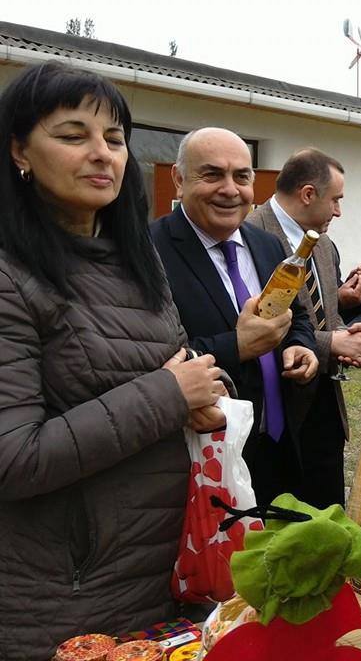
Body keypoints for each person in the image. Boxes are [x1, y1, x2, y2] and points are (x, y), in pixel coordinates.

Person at [0, 63, 225, 660]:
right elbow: (13, 457)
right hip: (61, 595)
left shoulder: (134, 260)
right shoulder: (10, 276)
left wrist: (205, 394)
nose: (102, 153)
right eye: (73, 135)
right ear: (19, 150)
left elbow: (172, 362)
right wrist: (169, 395)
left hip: (159, 573)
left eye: (115, 138)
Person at [151, 128, 324, 508]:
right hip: (204, 455)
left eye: (242, 176)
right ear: (179, 180)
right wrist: (237, 346)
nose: (230, 189)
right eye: (212, 174)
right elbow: (152, 360)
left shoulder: (267, 245)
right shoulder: (150, 252)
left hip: (277, 443)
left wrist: (301, 345)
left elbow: (295, 314)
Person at [246, 148, 361, 506]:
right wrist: (330, 344)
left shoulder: (324, 244)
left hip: (324, 409)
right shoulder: (249, 237)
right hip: (274, 417)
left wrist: (349, 326)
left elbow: (321, 310)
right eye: (335, 200)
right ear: (308, 194)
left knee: (326, 516)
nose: (339, 211)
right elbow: (255, 326)